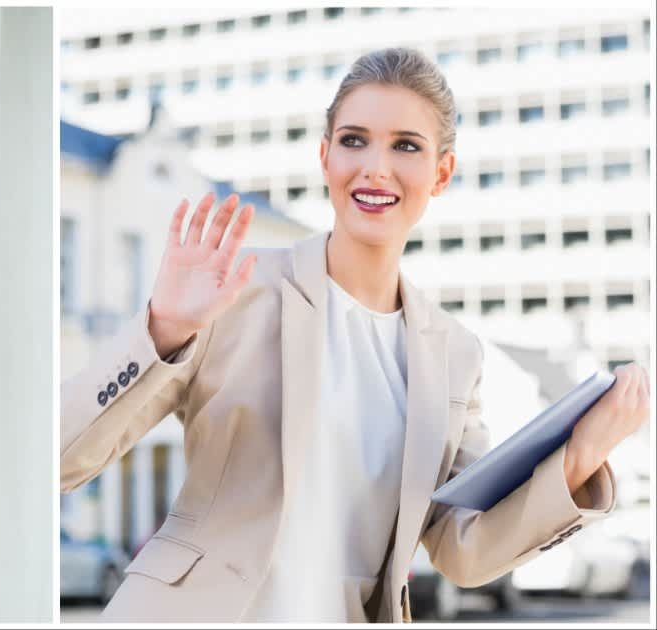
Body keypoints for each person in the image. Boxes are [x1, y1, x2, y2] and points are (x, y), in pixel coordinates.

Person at [60, 47, 650, 623]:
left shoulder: (454, 354)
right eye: (354, 140)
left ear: (441, 172)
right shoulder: (237, 290)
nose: (375, 166)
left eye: (406, 146)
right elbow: (57, 461)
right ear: (325, 157)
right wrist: (165, 327)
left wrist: (580, 458)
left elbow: (462, 550)